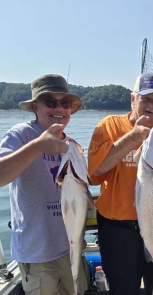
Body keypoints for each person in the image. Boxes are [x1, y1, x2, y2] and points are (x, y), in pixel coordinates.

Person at [88, 72, 153, 295]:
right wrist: (132, 138)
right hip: (118, 232)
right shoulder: (109, 126)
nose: (151, 105)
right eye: (145, 99)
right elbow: (94, 175)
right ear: (133, 99)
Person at [0, 74, 88, 295]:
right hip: (37, 256)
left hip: (70, 250)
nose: (59, 108)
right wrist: (38, 146)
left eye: (64, 103)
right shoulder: (21, 134)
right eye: (50, 102)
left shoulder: (71, 146)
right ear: (35, 106)